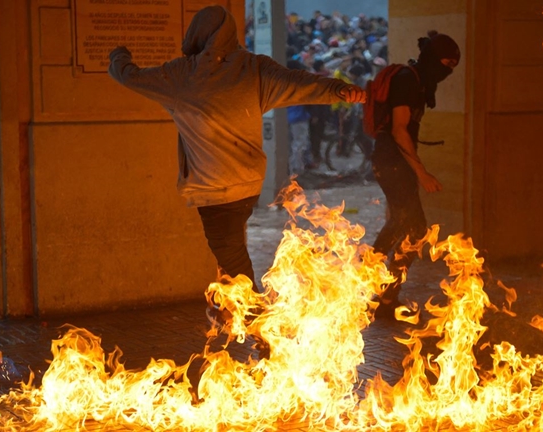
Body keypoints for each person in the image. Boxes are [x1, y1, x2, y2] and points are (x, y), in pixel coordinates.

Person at [108, 6, 365, 323]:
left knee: (234, 263)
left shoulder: (180, 75)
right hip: (248, 184)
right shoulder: (253, 69)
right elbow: (297, 81)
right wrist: (338, 89)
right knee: (229, 252)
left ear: (197, 34)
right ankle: (227, 310)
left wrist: (119, 55)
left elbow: (128, 76)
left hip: (215, 189)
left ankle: (261, 329)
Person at [366, 31, 460, 319]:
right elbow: (398, 129)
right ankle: (378, 286)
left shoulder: (419, 82)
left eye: (453, 66)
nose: (448, 71)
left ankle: (378, 288)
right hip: (392, 162)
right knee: (415, 230)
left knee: (402, 223)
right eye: (446, 63)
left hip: (397, 164)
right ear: (433, 59)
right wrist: (422, 173)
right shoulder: (408, 80)